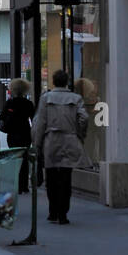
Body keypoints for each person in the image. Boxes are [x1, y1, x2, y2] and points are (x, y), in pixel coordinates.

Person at [32, 70, 89, 225]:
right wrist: (80, 134)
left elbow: (40, 123)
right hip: (69, 139)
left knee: (51, 178)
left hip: (51, 140)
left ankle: (53, 212)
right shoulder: (76, 98)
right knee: (66, 177)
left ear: (53, 81)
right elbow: (84, 117)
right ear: (66, 82)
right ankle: (63, 213)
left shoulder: (46, 98)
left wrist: (37, 145)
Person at [0, 78, 36, 194]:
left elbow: (2, 117)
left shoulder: (10, 103)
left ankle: (16, 184)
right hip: (25, 133)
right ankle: (24, 185)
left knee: (14, 159)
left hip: (13, 134)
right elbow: (34, 118)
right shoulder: (28, 103)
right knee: (24, 159)